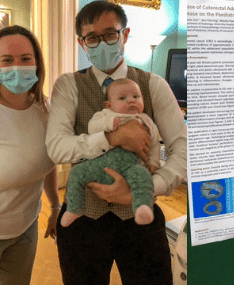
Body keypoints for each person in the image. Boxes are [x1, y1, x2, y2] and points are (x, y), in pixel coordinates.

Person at [46, 0, 186, 285]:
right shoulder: (67, 85)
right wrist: (111, 137)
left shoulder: (153, 84)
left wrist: (145, 189)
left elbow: (182, 148)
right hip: (82, 218)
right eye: (92, 38)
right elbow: (57, 146)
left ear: (125, 34)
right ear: (81, 43)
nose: (102, 43)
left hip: (141, 217)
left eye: (110, 34)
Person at [0, 25, 60, 285]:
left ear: (37, 63)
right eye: (7, 60)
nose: (18, 66)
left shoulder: (46, 108)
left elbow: (48, 158)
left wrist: (55, 205)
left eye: (25, 59)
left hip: (26, 228)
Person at [61, 78, 161, 227]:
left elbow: (154, 143)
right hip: (101, 164)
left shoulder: (145, 120)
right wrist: (108, 124)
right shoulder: (106, 115)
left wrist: (153, 162)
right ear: (109, 105)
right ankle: (75, 208)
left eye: (136, 97)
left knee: (143, 177)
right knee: (76, 172)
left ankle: (142, 207)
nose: (131, 101)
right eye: (122, 98)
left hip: (130, 167)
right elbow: (92, 127)